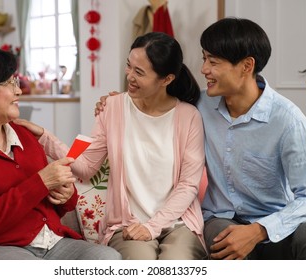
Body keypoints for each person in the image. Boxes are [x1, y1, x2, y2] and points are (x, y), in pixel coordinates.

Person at [95, 18, 306, 260]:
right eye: (204, 59)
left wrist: (258, 230)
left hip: (275, 223)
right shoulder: (198, 106)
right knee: (224, 238)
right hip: (222, 220)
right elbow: (157, 99)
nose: (204, 69)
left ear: (246, 66)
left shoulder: (288, 120)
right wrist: (119, 102)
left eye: (213, 62)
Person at [18, 32, 207, 260]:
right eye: (129, 66)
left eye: (139, 72)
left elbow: (188, 185)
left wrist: (152, 226)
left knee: (176, 264)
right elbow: (86, 166)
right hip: (127, 222)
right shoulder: (112, 107)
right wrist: (45, 136)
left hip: (179, 223)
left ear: (167, 79)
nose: (129, 76)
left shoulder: (189, 117)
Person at [0, 44, 121, 260]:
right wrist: (41, 182)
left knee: (107, 259)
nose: (19, 90)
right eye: (8, 83)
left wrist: (65, 196)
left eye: (15, 81)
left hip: (48, 243)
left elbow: (58, 205)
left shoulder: (23, 134)